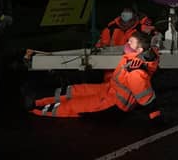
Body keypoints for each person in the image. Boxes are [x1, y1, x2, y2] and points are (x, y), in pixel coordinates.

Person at [28, 31, 162, 120]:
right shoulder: (135, 56)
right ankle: (39, 98)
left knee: (76, 105)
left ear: (139, 50)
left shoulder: (136, 70)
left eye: (130, 42)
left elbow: (145, 96)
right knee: (76, 90)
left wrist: (155, 115)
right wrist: (156, 41)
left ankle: (36, 107)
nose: (127, 44)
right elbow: (153, 51)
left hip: (115, 103)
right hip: (111, 90)